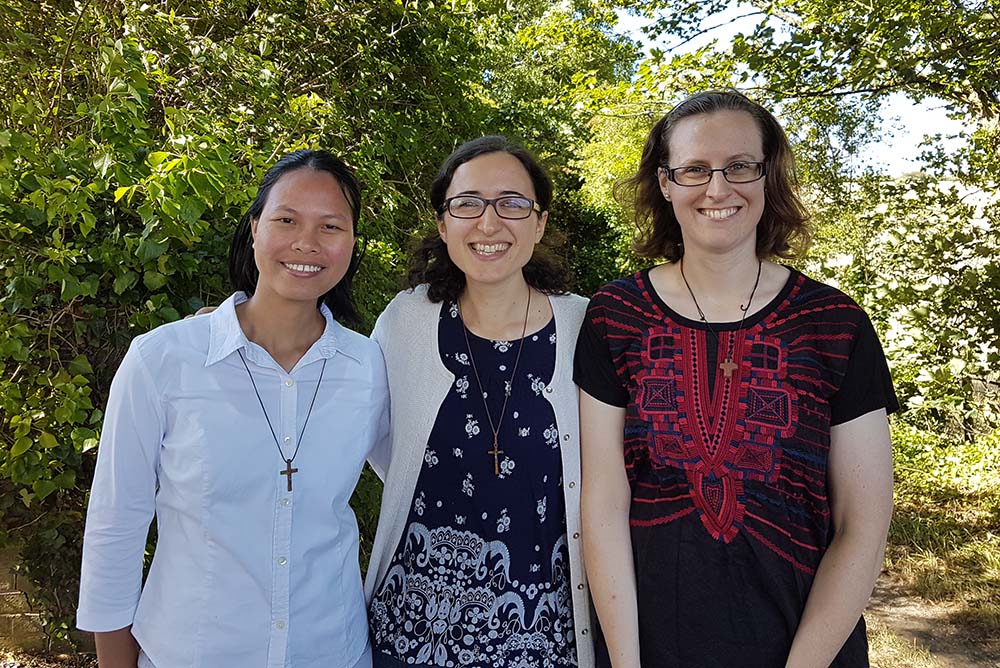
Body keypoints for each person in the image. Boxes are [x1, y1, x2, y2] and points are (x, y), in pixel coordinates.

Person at [575, 90, 898, 667]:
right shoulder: (614, 316)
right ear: (666, 183)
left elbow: (863, 525)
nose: (718, 188)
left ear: (768, 177)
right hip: (650, 647)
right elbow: (603, 506)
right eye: (695, 169)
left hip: (808, 650)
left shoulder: (834, 324)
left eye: (740, 166)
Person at [77, 150, 389, 668]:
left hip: (331, 650)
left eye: (330, 226)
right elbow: (117, 522)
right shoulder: (164, 359)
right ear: (254, 228)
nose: (306, 243)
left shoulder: (369, 367)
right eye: (286, 220)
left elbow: (416, 480)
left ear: (352, 244)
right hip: (189, 651)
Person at [364, 136, 595, 668]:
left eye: (512, 203)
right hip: (408, 631)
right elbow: (370, 432)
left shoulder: (587, 325)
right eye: (467, 204)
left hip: (541, 636)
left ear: (538, 224)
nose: (488, 223)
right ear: (444, 225)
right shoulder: (405, 321)